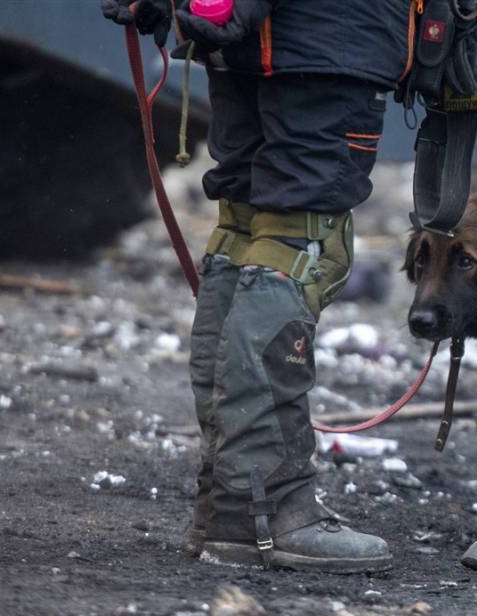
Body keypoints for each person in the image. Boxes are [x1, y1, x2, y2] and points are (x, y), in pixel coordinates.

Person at [100, 0, 407, 572]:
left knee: (246, 229)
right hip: (326, 38)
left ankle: (230, 506)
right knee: (300, 238)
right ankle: (269, 507)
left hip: (242, 38)